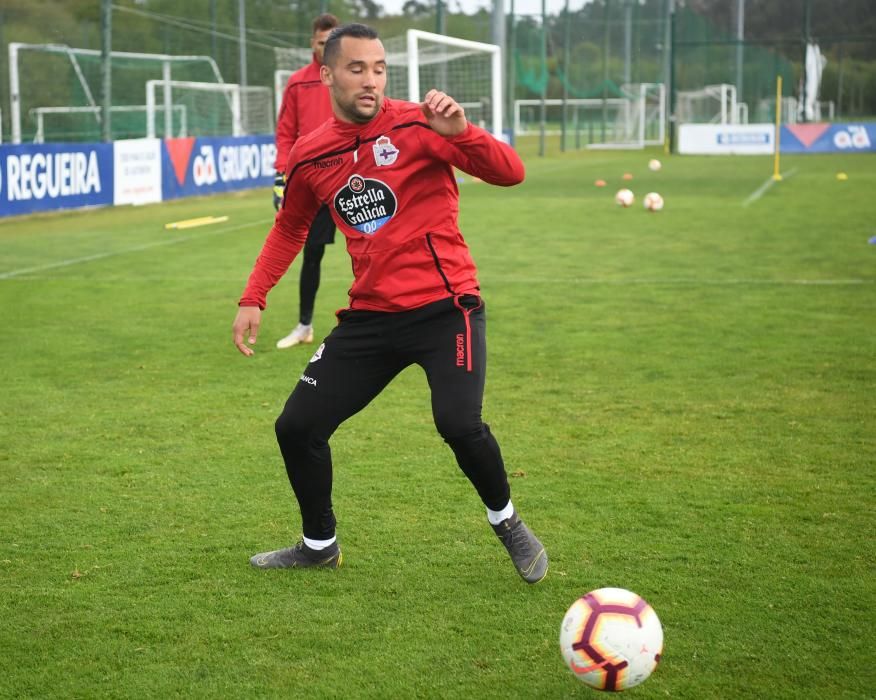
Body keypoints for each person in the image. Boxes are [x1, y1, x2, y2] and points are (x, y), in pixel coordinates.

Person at [233, 23, 547, 584]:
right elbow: (289, 229)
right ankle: (318, 544)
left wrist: (464, 131)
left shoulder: (420, 123)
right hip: (372, 317)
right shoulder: (310, 155)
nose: (371, 80)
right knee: (296, 426)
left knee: (458, 422)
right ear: (327, 74)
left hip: (446, 306)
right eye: (357, 68)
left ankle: (509, 523)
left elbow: (511, 173)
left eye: (379, 69)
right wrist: (254, 297)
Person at [272, 13, 340, 349]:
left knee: (373, 249)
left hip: (352, 178)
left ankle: (389, 320)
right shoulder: (298, 82)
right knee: (311, 253)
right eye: (321, 42)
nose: (325, 48)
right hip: (313, 183)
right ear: (312, 42)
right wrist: (280, 175)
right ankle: (304, 326)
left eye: (332, 43)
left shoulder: (347, 77)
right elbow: (285, 132)